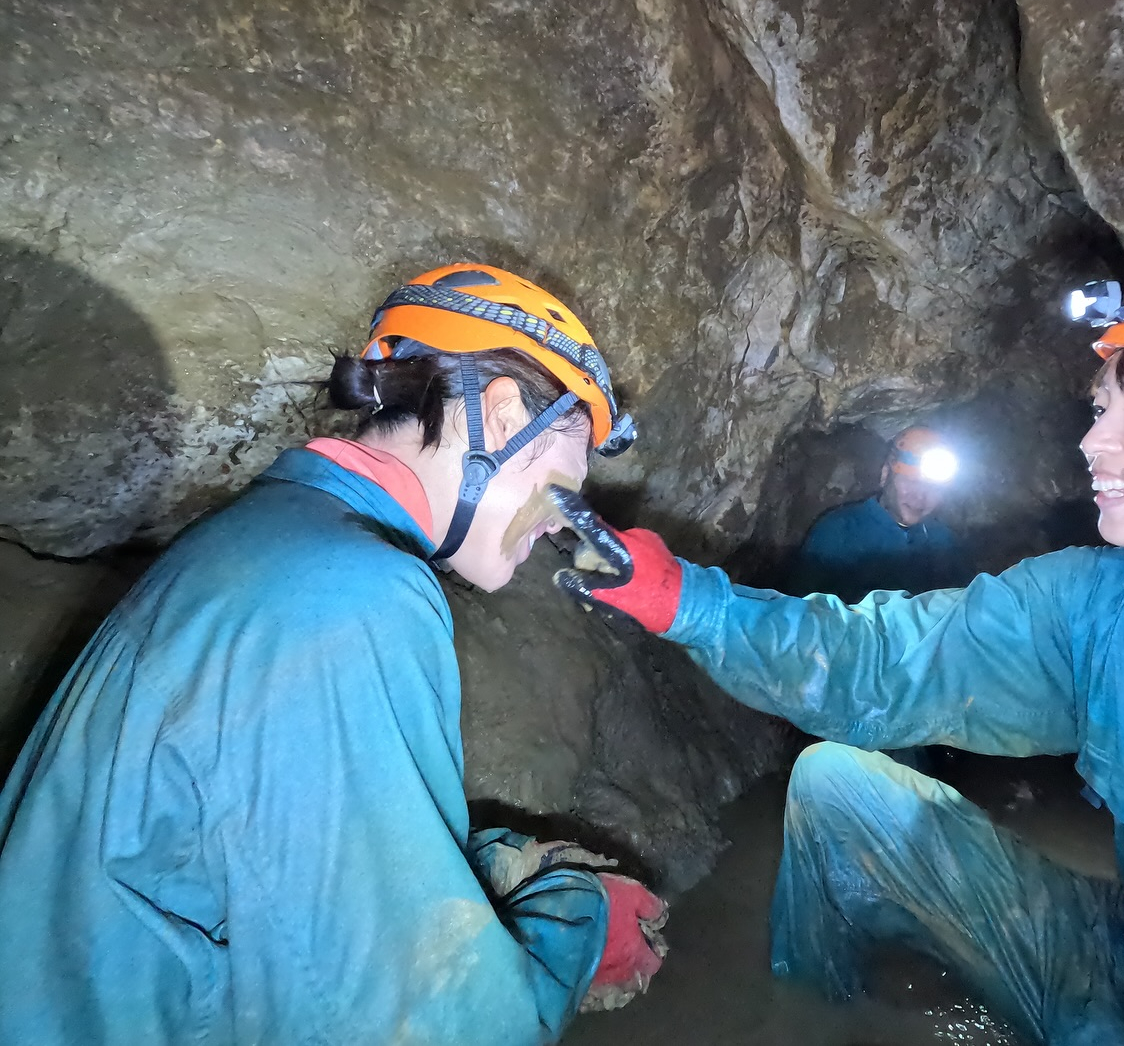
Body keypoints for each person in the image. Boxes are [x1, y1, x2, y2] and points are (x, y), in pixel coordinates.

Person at [552, 250, 1124, 1044]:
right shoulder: (1097, 604)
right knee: (836, 783)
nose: (1095, 441)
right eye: (1101, 407)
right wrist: (683, 602)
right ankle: (815, 1019)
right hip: (1111, 969)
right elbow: (879, 662)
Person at [0, 264, 667, 1045]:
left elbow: (254, 854)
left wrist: (486, 862)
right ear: (502, 411)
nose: (561, 528)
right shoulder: (354, 598)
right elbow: (438, 1022)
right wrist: (578, 917)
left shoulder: (264, 540)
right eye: (562, 489)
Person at [787, 426, 971, 603]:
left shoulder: (943, 541)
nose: (920, 496)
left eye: (932, 487)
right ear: (885, 475)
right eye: (910, 481)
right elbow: (801, 613)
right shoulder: (838, 533)